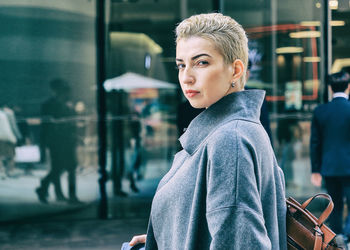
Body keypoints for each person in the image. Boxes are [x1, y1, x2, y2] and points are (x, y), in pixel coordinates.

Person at [124, 13, 287, 250]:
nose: (186, 77)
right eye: (181, 65)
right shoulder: (237, 129)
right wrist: (168, 234)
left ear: (236, 70)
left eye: (201, 62)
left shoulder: (230, 139)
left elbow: (242, 243)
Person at [310, 70, 350, 241]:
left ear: (331, 89)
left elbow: (315, 143)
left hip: (329, 166)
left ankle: (338, 236)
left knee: (335, 205)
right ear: (348, 87)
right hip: (349, 166)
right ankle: (347, 235)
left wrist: (315, 170)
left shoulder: (321, 111)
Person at [36, 78, 80, 204]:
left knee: (68, 167)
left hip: (66, 140)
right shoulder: (49, 104)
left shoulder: (67, 104)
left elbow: (71, 121)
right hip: (56, 141)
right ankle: (60, 193)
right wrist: (44, 144)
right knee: (59, 167)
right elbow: (46, 125)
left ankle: (54, 190)